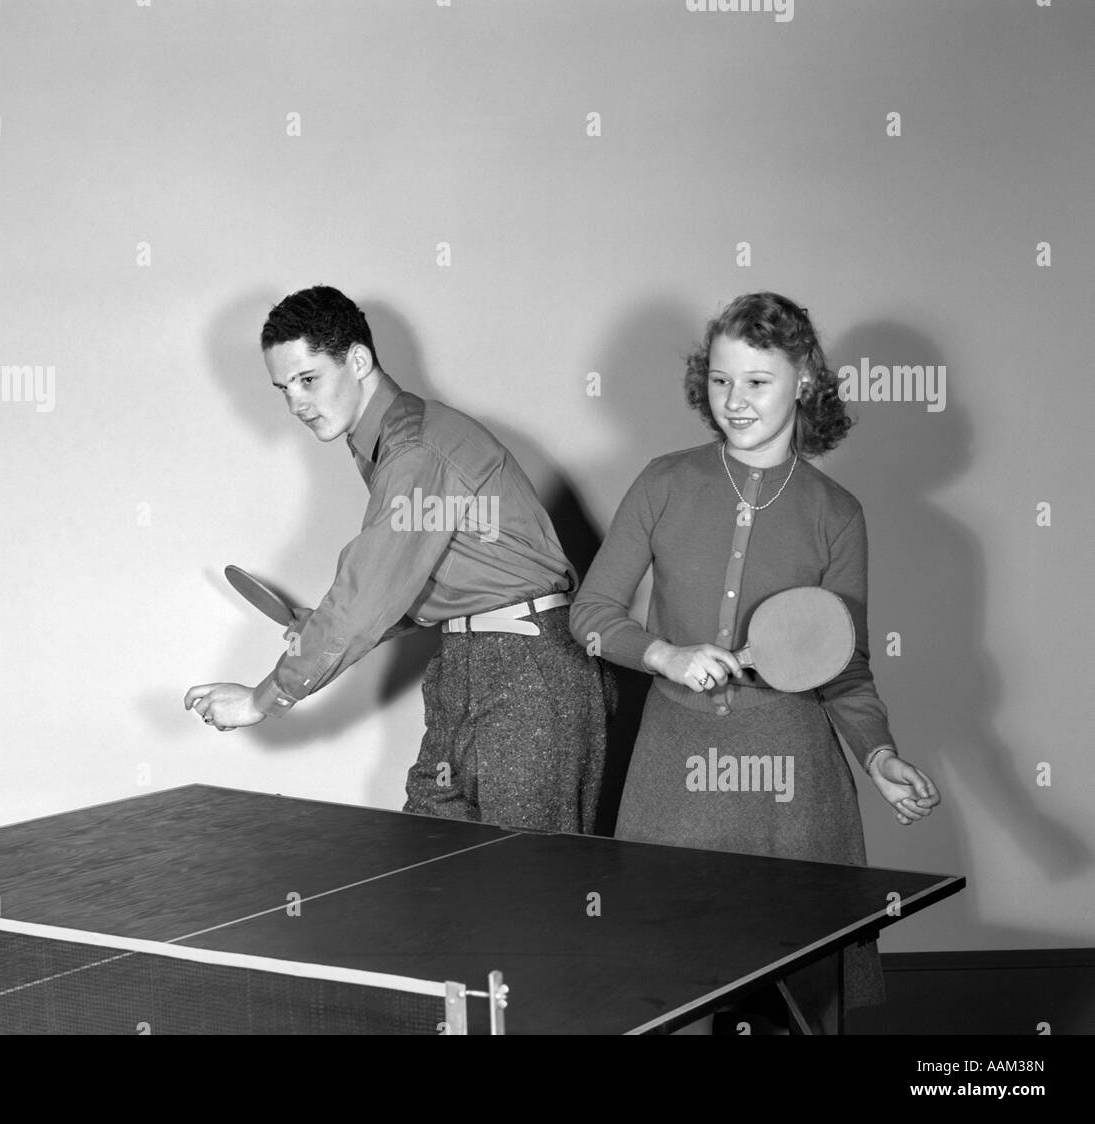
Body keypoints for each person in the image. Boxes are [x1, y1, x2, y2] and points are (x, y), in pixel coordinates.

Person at [569, 292, 941, 1033]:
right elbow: (590, 615)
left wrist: (881, 757)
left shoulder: (837, 513)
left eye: (756, 382)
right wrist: (664, 654)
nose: (733, 402)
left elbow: (843, 664)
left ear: (804, 379)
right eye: (720, 380)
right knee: (666, 998)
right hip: (674, 781)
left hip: (794, 798)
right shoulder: (664, 483)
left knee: (802, 1009)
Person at [185, 286, 612, 832]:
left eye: (308, 378)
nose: (295, 402)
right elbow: (406, 590)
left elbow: (363, 600)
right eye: (283, 387)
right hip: (466, 662)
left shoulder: (416, 450)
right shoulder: (387, 447)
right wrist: (321, 630)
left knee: (528, 890)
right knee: (428, 865)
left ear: (358, 361)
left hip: (527, 672)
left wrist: (262, 700)